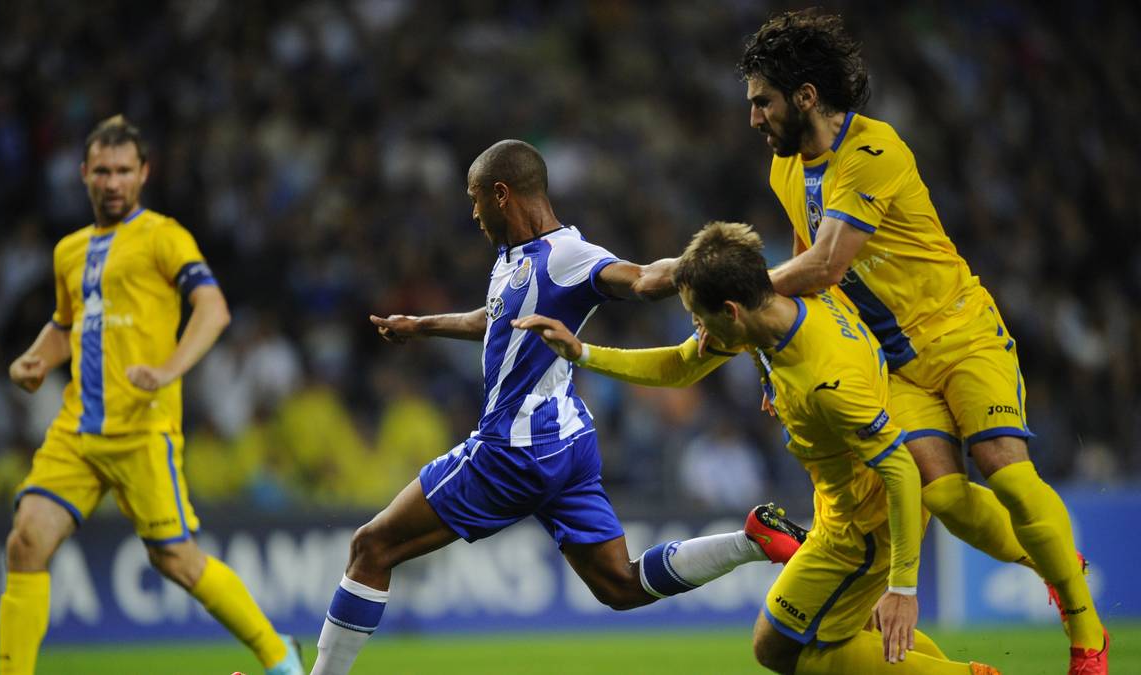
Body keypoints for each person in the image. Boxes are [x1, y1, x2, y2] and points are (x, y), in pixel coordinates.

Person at [309, 140, 806, 675]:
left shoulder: (568, 254)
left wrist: (709, 269)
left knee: (371, 547)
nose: (473, 213)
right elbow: (492, 319)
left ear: (501, 195)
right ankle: (753, 539)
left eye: (476, 200)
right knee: (621, 585)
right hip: (566, 445)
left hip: (514, 449)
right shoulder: (511, 261)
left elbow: (641, 277)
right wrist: (422, 326)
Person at [739, 10, 1107, 672]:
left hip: (959, 331)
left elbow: (826, 265)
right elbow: (805, 263)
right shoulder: (786, 171)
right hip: (899, 364)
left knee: (1006, 471)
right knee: (940, 492)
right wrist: (773, 357)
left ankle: (1084, 628)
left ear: (805, 96)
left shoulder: (876, 151)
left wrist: (739, 289)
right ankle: (1047, 555)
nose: (754, 117)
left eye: (762, 101)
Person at [516, 221, 999, 675]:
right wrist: (583, 353)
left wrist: (903, 587)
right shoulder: (772, 306)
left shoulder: (822, 377)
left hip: (865, 524)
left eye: (698, 318)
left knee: (779, 646)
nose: (698, 332)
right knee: (845, 633)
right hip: (840, 507)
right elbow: (682, 366)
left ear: (729, 311)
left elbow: (901, 469)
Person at [0, 116, 303, 675]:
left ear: (143, 174)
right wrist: (37, 357)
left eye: (123, 171)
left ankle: (279, 653)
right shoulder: (69, 251)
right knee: (26, 542)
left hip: (143, 429)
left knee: (175, 559)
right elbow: (68, 325)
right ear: (83, 174)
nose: (113, 182)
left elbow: (213, 309)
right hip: (77, 432)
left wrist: (169, 369)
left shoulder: (164, 236)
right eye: (102, 172)